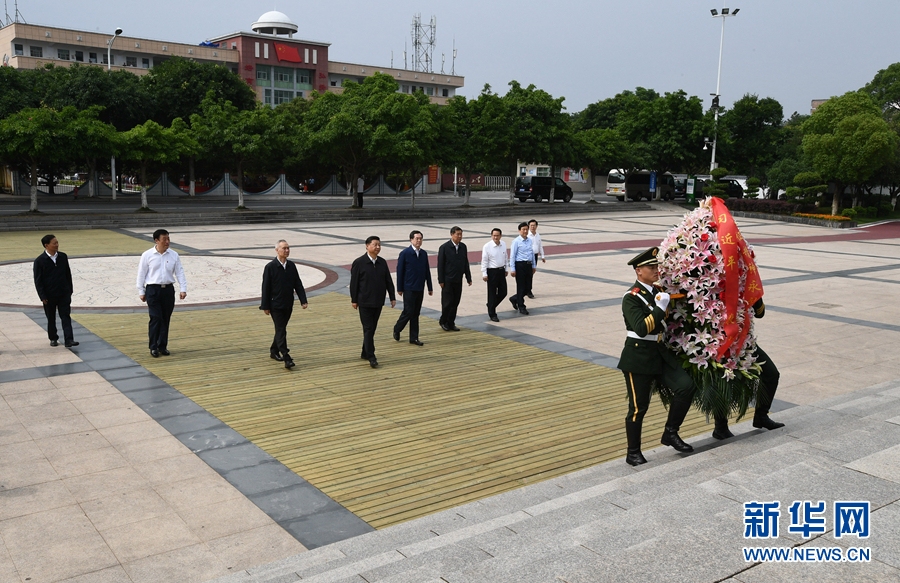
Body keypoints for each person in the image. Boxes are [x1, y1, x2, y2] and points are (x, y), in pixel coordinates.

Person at [618, 247, 696, 466]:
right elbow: (642, 328)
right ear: (638, 271)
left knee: (686, 385)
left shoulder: (657, 290)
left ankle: (670, 433)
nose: (655, 271)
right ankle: (633, 451)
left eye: (656, 267)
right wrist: (661, 307)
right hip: (638, 356)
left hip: (660, 352)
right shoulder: (631, 298)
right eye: (651, 268)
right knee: (638, 407)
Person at [712, 298, 785, 439]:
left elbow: (760, 313)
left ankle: (761, 416)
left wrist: (753, 294)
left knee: (771, 374)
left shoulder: (747, 282)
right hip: (720, 342)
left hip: (745, 342)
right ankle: (720, 427)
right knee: (722, 381)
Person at [136, 229, 187, 358]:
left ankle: (162, 346)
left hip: (168, 290)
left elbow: (179, 272)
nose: (167, 242)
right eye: (164, 239)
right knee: (156, 317)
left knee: (165, 319)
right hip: (153, 290)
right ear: (156, 240)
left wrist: (183, 288)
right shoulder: (147, 255)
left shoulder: (174, 255)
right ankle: (153, 346)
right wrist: (141, 291)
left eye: (168, 239)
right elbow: (141, 274)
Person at [260, 240, 308, 369]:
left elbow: (297, 283)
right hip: (275, 305)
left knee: (281, 329)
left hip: (288, 304)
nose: (287, 250)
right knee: (281, 330)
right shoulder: (270, 267)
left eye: (288, 248)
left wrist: (303, 300)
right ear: (277, 250)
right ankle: (286, 356)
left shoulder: (291, 265)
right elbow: (265, 287)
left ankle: (274, 350)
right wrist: (265, 306)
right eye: (284, 248)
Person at [350, 236, 396, 368]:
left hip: (378, 301)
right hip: (364, 301)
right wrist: (354, 300)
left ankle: (365, 351)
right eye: (375, 245)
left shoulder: (382, 262)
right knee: (368, 328)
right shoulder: (359, 262)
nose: (377, 247)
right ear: (367, 246)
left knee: (371, 328)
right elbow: (354, 283)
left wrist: (392, 297)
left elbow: (388, 280)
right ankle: (372, 356)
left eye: (379, 245)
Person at [33, 234, 78, 348]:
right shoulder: (39, 261)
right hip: (49, 295)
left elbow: (68, 274)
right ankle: (53, 338)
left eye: (57, 242)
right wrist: (42, 296)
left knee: (66, 316)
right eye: (54, 243)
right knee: (51, 318)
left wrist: (70, 290)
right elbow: (38, 281)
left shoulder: (63, 256)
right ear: (46, 245)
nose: (57, 245)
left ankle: (69, 339)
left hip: (64, 293)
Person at [393, 230, 433, 345]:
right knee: (408, 311)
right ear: (411, 240)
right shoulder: (405, 253)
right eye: (416, 238)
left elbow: (427, 271)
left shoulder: (424, 254)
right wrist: (399, 288)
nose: (419, 241)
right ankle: (397, 328)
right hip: (408, 287)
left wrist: (430, 287)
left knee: (416, 313)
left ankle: (414, 338)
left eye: (420, 238)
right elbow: (400, 272)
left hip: (420, 287)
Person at [437, 226, 472, 331]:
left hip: (458, 279)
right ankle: (443, 321)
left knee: (455, 303)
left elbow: (465, 263)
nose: (459, 236)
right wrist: (441, 280)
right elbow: (440, 265)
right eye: (457, 234)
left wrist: (468, 277)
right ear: (452, 234)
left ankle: (451, 322)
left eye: (461, 234)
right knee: (447, 303)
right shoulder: (444, 247)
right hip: (447, 280)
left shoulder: (463, 247)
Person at [481, 228, 509, 322]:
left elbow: (505, 257)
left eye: (497, 235)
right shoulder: (487, 246)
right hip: (492, 272)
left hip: (501, 271)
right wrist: (484, 273)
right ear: (491, 236)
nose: (495, 237)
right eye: (494, 235)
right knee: (492, 293)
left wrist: (506, 269)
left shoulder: (503, 244)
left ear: (500, 236)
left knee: (503, 292)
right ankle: (492, 314)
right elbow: (484, 261)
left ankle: (491, 305)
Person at [508, 222, 537, 315]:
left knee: (528, 287)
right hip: (520, 265)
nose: (525, 231)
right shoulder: (516, 241)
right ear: (519, 231)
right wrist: (513, 268)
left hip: (528, 265)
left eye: (526, 229)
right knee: (521, 287)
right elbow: (512, 255)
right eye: (523, 229)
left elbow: (532, 253)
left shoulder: (529, 240)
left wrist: (533, 266)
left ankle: (515, 298)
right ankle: (521, 306)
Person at [526, 219, 546, 299]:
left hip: (535, 256)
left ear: (536, 226)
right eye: (531, 225)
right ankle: (528, 290)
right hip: (528, 256)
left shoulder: (537, 235)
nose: (532, 227)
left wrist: (543, 256)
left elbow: (540, 245)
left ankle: (528, 289)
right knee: (528, 273)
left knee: (532, 272)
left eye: (534, 225)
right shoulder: (527, 235)